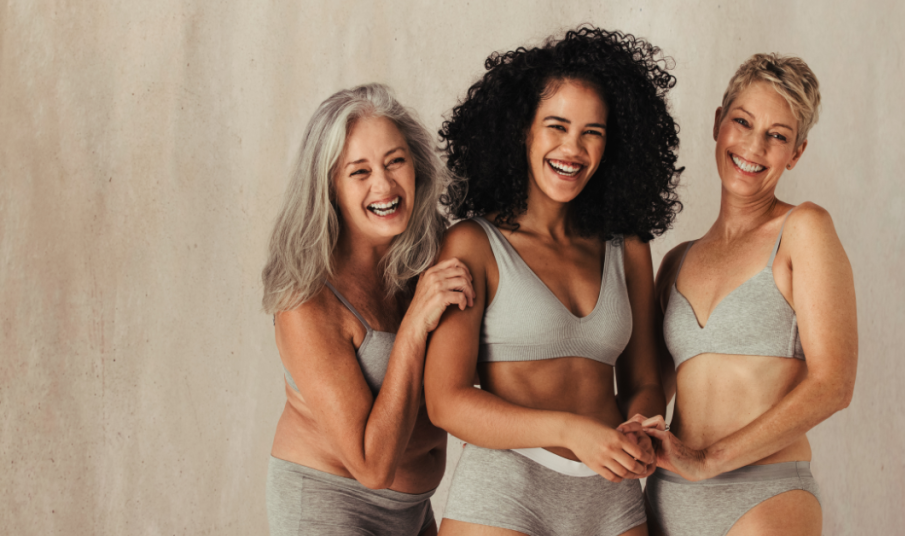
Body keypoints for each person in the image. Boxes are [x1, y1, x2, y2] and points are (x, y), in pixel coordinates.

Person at [424, 27, 683, 536]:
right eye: (557, 126)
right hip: (506, 491)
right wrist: (571, 430)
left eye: (593, 132)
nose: (574, 148)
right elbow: (446, 400)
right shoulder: (474, 244)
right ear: (523, 130)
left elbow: (645, 382)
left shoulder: (625, 244)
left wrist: (641, 425)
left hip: (610, 494)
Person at [641, 53, 858, 536]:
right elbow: (649, 394)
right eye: (743, 122)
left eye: (777, 135)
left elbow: (834, 384)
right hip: (667, 498)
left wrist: (706, 460)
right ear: (718, 124)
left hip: (765, 495)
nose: (754, 146)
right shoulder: (677, 261)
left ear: (795, 153)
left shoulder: (804, 229)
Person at [261, 84, 475, 536]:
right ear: (330, 187)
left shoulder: (425, 261)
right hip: (330, 508)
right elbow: (371, 466)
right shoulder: (307, 299)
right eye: (359, 172)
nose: (384, 185)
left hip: (415, 513)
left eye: (395, 161)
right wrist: (415, 323)